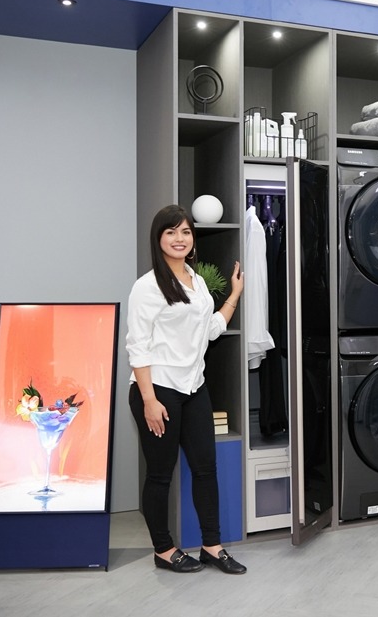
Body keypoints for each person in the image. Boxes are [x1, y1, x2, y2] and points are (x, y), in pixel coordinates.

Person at [126, 204, 246, 574]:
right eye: (171, 232)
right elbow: (137, 347)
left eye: (186, 232)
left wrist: (234, 295)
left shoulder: (197, 280)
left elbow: (208, 330)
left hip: (194, 387)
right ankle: (163, 550)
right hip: (158, 389)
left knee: (205, 469)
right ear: (158, 239)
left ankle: (212, 546)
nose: (179, 239)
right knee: (160, 474)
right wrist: (148, 400)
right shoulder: (147, 287)